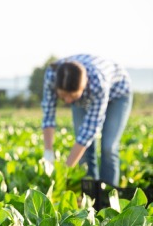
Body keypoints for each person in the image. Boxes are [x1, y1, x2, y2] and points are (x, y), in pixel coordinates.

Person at [41, 54, 132, 186]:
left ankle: (107, 195)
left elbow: (88, 133)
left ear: (83, 86)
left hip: (118, 94)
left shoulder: (98, 83)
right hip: (84, 96)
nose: (67, 101)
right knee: (84, 153)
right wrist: (48, 152)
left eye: (71, 96)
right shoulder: (51, 76)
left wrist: (65, 172)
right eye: (63, 95)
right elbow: (48, 113)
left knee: (108, 147)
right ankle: (90, 194)